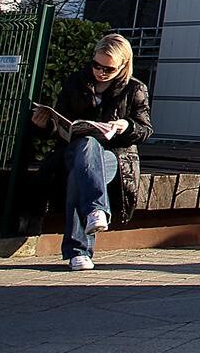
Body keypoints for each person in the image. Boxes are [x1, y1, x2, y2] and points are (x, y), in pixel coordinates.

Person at [30, 33, 152, 270]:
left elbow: (145, 128)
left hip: (113, 157)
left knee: (81, 175)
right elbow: (59, 124)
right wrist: (44, 124)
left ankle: (78, 252)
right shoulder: (76, 81)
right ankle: (96, 211)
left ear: (123, 65)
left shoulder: (135, 88)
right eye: (97, 65)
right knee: (86, 146)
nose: (100, 72)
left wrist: (125, 126)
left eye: (108, 69)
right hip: (72, 152)